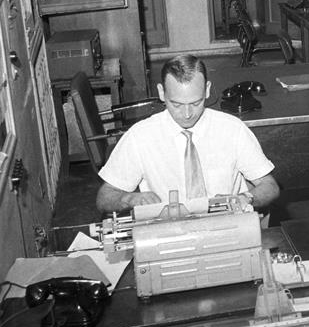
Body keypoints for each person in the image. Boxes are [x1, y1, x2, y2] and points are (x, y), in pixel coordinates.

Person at [96, 54, 280, 214]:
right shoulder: (139, 137)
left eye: (195, 103)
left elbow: (269, 186)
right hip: (169, 230)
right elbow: (104, 197)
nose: (187, 114)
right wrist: (131, 199)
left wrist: (245, 198)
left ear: (207, 89)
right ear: (161, 92)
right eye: (176, 104)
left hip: (225, 226)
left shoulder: (233, 129)